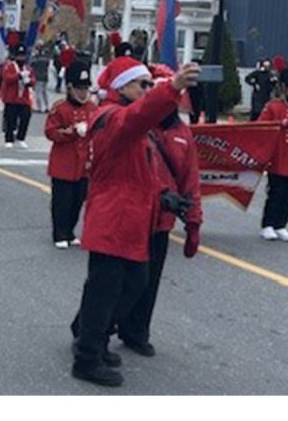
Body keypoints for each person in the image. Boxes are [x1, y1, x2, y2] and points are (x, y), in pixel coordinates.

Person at [70, 57, 200, 387]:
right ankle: (87, 358)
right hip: (114, 218)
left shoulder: (122, 121)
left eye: (149, 84)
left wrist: (164, 196)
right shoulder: (113, 117)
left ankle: (94, 341)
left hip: (128, 218)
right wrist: (172, 88)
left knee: (130, 284)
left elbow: (138, 174)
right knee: (106, 290)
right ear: (122, 86)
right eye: (142, 83)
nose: (147, 89)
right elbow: (140, 117)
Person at [115, 64, 203, 356]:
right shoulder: (137, 125)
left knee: (149, 280)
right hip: (134, 215)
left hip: (162, 221)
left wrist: (193, 224)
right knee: (118, 279)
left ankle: (136, 331)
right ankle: (93, 328)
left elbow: (190, 180)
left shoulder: (182, 133)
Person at [45, 60, 97, 248]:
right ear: (70, 88)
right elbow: (50, 132)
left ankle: (70, 231)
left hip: (83, 165)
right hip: (64, 164)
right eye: (79, 88)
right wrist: (73, 131)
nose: (83, 92)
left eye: (85, 88)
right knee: (62, 202)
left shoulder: (92, 109)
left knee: (78, 200)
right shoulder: (60, 108)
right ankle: (59, 233)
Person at [258, 67, 288, 241]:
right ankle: (268, 224)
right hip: (277, 159)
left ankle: (280, 224)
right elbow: (260, 128)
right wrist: (281, 123)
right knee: (276, 192)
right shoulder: (273, 107)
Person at [0, 43, 36, 149]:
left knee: (25, 117)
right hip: (11, 98)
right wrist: (18, 76)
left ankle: (21, 138)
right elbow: (7, 78)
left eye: (23, 55)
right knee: (10, 119)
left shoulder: (27, 68)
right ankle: (9, 139)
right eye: (19, 55)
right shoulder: (9, 66)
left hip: (24, 99)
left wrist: (29, 81)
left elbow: (33, 80)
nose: (21, 58)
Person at [30, 43, 50, 113]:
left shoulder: (36, 58)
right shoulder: (46, 57)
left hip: (38, 77)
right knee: (44, 93)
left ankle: (40, 108)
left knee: (38, 93)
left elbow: (31, 64)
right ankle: (47, 106)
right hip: (45, 76)